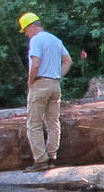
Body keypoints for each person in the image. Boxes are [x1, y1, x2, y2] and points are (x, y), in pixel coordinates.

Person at [18, 12, 72, 169]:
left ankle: (41, 160)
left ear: (32, 27)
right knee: (53, 122)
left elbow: (35, 64)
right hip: (55, 85)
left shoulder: (36, 40)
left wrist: (30, 83)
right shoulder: (55, 39)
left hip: (40, 84)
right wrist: (57, 76)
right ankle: (52, 157)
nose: (27, 35)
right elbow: (68, 61)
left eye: (26, 31)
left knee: (33, 124)